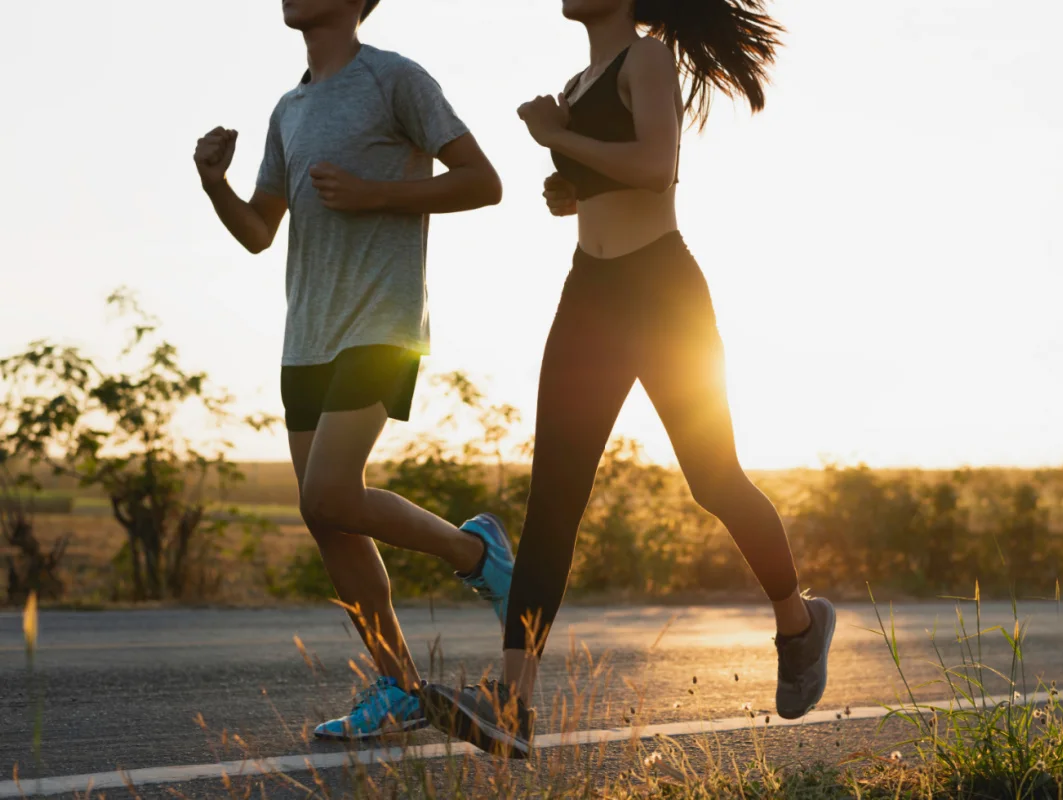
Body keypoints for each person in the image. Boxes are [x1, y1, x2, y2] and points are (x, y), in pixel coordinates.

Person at [421, 0, 836, 759]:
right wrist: (569, 189)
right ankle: (513, 704)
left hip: (661, 291)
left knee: (713, 479)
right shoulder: (576, 83)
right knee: (552, 501)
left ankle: (799, 621)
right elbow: (606, 181)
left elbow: (656, 166)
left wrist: (556, 138)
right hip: (590, 292)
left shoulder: (646, 59)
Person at [192, 0, 513, 740]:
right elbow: (259, 232)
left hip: (383, 324)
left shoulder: (395, 79)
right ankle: (400, 689)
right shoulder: (288, 108)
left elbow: (482, 181)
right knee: (322, 510)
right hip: (306, 334)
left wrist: (377, 194)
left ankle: (476, 553)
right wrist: (216, 185)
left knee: (332, 490)